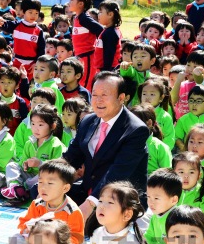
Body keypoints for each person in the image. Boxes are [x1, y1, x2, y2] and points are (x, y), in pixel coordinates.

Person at [62, 71, 150, 217]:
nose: (98, 100)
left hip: (120, 198)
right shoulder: (87, 121)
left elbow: (117, 173)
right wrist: (49, 178)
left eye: (105, 95)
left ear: (121, 98)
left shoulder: (136, 129)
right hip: (88, 188)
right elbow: (70, 158)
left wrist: (90, 204)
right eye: (95, 95)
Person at [8, 159, 83, 244]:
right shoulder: (37, 204)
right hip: (37, 243)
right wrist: (27, 230)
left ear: (65, 188)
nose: (43, 187)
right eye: (40, 182)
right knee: (16, 239)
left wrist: (55, 241)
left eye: (50, 183)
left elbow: (76, 238)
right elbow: (23, 223)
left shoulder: (72, 211)